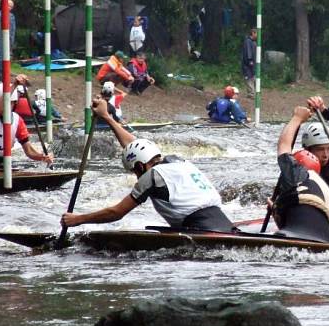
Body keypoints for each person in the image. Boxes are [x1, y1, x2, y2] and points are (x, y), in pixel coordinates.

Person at [61, 96, 235, 232]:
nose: (137, 177)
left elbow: (117, 212)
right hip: (225, 223)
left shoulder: (151, 177)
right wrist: (107, 117)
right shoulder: (177, 162)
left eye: (135, 172)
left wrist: (78, 219)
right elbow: (136, 146)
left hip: (200, 228)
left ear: (139, 167)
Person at [270, 103, 329, 243]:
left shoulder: (298, 175)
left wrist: (297, 118)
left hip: (298, 236)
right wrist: (276, 208)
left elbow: (283, 146)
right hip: (326, 241)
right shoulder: (324, 188)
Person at [0, 0, 16, 73]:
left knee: (8, 55)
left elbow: (13, 29)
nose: (9, 7)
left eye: (11, 6)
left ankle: (6, 70)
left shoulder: (12, 16)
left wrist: (12, 39)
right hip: (0, 38)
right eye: (8, 5)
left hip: (9, 38)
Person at [241, 28, 257, 98]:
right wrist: (250, 60)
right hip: (248, 64)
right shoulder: (248, 41)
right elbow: (248, 52)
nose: (257, 35)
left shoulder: (253, 42)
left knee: (253, 77)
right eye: (256, 33)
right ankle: (251, 93)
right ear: (253, 33)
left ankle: (253, 92)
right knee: (249, 78)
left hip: (252, 63)